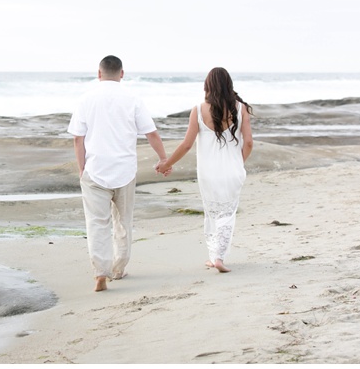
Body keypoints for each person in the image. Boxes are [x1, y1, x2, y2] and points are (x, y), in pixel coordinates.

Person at [68, 56, 170, 292]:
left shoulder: (86, 99)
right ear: (122, 73)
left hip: (95, 170)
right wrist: (163, 159)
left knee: (97, 223)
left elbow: (77, 138)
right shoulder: (132, 99)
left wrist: (81, 167)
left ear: (99, 73)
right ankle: (118, 268)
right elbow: (151, 133)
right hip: (124, 170)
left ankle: (99, 273)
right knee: (123, 222)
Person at [156, 67, 253, 273]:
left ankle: (214, 256)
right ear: (229, 85)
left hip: (208, 173)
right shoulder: (240, 108)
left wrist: (166, 164)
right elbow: (249, 143)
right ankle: (218, 257)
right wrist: (238, 162)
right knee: (228, 212)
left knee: (211, 212)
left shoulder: (199, 110)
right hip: (233, 171)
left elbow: (186, 145)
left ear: (207, 86)